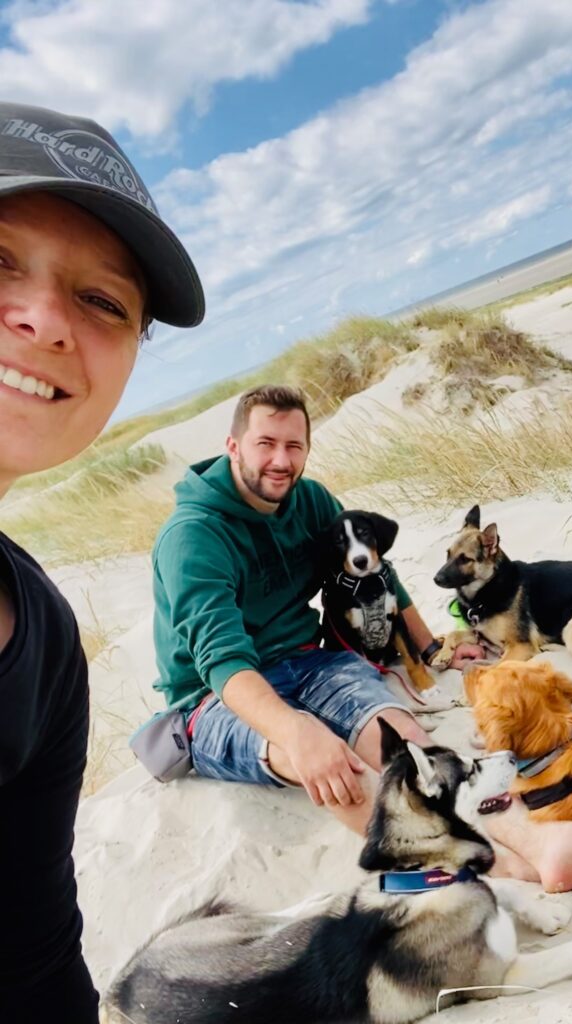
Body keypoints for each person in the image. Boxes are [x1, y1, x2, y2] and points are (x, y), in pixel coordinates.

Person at [153, 385, 572, 882]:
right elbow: (223, 661)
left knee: (409, 744)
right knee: (331, 764)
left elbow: (381, 578)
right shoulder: (193, 536)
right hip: (214, 697)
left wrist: (429, 646)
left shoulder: (309, 501)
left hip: (309, 660)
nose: (281, 460)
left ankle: (540, 844)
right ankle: (503, 868)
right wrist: (297, 731)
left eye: (294, 446)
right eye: (265, 444)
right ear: (233, 446)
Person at [0, 102, 204, 1024]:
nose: (46, 320)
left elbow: (34, 958)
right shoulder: (200, 529)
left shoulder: (43, 641)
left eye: (102, 302)